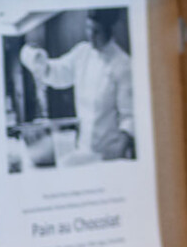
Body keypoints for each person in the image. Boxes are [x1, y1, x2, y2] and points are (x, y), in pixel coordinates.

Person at [18, 10, 135, 161]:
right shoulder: (82, 53)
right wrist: (36, 60)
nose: (90, 36)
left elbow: (129, 115)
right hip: (84, 149)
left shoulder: (123, 64)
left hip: (110, 154)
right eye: (88, 28)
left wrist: (121, 146)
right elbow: (57, 73)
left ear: (109, 30)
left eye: (96, 31)